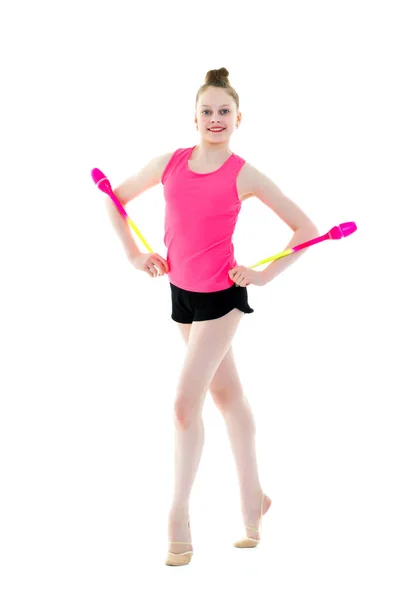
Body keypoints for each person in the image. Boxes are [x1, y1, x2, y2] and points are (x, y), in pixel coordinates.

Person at [106, 67, 319, 566]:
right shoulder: (170, 163)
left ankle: (177, 517)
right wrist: (136, 256)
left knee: (185, 404)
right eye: (208, 111)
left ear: (238, 118)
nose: (215, 118)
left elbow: (306, 229)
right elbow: (114, 199)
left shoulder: (243, 172)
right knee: (227, 395)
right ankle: (255, 501)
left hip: (222, 297)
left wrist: (264, 275)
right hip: (181, 294)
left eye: (225, 111)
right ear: (194, 117)